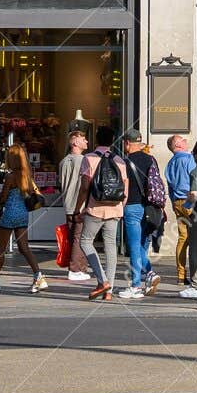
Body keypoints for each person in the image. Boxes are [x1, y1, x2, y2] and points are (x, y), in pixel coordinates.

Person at [0, 143, 48, 294]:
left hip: (9, 214)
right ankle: (38, 276)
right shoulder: (27, 176)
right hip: (23, 214)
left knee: (0, 250)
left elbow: (3, 198)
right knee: (24, 248)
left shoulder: (10, 176)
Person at [77, 127, 126, 300]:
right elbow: (125, 189)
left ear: (96, 139)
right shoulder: (119, 160)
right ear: (112, 139)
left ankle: (103, 280)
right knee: (111, 247)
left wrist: (79, 208)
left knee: (85, 241)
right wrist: (120, 207)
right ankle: (109, 291)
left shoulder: (89, 159)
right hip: (115, 208)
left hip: (95, 208)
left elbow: (84, 187)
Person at [119, 129, 162, 299]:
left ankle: (137, 284)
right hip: (149, 207)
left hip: (132, 206)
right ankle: (148, 276)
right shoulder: (150, 159)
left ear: (127, 143)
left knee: (135, 246)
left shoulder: (124, 161)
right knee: (142, 243)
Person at [57, 128, 93, 286]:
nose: (86, 141)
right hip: (80, 205)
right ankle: (76, 269)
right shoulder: (84, 161)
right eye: (83, 139)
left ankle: (78, 267)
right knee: (80, 238)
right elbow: (85, 186)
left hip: (68, 204)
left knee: (73, 238)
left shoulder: (63, 161)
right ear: (75, 142)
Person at [165, 134, 197, 294]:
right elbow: (195, 180)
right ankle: (196, 276)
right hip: (190, 200)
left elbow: (170, 185)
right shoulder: (188, 159)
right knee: (196, 238)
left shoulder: (171, 163)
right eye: (183, 140)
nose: (186, 141)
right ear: (177, 145)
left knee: (183, 237)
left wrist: (173, 201)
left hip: (177, 201)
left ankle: (180, 274)